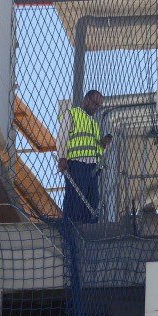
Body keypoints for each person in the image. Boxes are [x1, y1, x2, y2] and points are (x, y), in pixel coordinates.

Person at [57, 90, 112, 224]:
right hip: (77, 165)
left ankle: (88, 229)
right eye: (95, 104)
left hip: (92, 168)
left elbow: (94, 148)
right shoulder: (72, 114)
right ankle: (70, 228)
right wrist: (62, 158)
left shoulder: (93, 124)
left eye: (99, 106)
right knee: (75, 200)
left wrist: (103, 144)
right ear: (86, 99)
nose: (96, 108)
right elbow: (62, 136)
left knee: (92, 203)